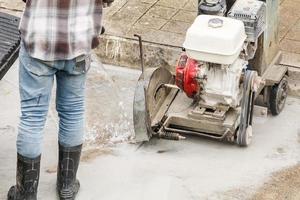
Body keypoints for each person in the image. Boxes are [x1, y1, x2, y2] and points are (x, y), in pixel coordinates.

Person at [7, 0, 113, 199]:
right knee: (73, 112)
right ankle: (67, 185)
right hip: (79, 42)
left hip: (39, 40)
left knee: (32, 117)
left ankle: (25, 194)